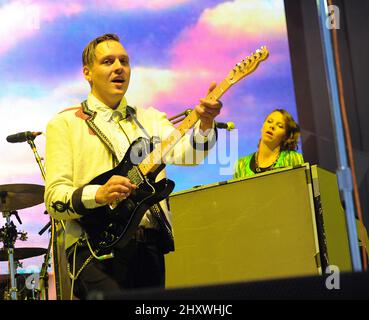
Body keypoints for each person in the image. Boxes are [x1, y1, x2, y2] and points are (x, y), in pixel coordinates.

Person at [44, 33, 222, 299]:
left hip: (148, 247)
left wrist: (205, 124)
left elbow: (189, 156)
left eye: (124, 61)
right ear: (87, 72)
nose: (119, 67)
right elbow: (54, 198)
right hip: (94, 249)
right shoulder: (66, 123)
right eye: (107, 61)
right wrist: (99, 194)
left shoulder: (150, 119)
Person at [234, 109, 304, 178]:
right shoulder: (241, 165)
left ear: (286, 136)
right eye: (269, 121)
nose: (272, 126)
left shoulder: (294, 158)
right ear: (262, 127)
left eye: (280, 126)